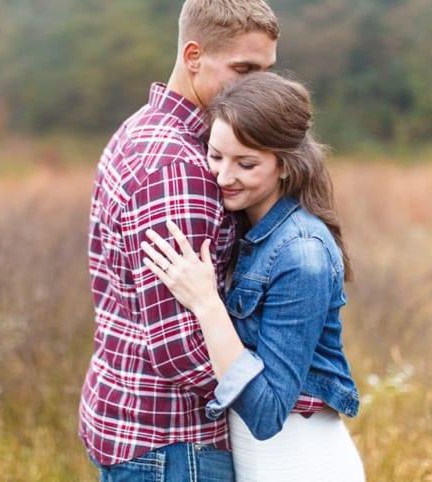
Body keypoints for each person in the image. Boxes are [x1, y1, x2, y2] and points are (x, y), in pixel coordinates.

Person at [78, 1, 279, 480]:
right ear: (193, 56)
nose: (258, 87)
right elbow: (180, 347)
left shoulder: (146, 130)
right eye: (243, 69)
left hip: (140, 427)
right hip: (173, 442)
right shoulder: (179, 167)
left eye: (267, 72)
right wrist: (277, 400)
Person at [141, 71, 365, 481]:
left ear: (285, 166)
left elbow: (266, 412)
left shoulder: (302, 254)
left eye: (246, 163)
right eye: (215, 156)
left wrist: (207, 303)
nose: (224, 177)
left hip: (301, 465)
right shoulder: (246, 231)